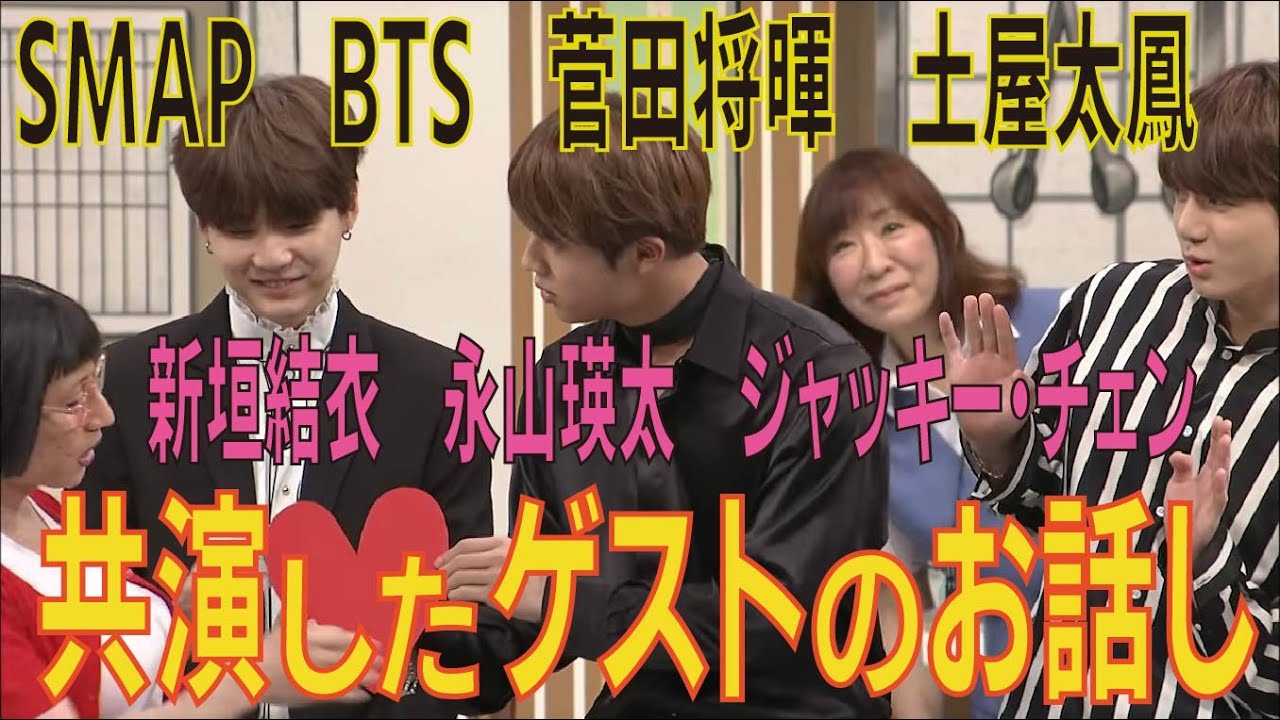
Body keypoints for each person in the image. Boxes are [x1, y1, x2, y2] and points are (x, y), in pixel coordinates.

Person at [426, 91, 891, 718]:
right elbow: (525, 626)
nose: (531, 259)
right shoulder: (562, 380)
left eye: (554, 241)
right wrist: (401, 641)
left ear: (646, 253)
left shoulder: (818, 374)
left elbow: (779, 619)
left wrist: (562, 598)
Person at [75, 74, 495, 719]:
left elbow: (465, 638)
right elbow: (90, 597)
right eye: (239, 230)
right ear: (204, 225)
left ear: (348, 206)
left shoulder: (436, 387)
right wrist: (172, 611)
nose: (272, 256)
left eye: (298, 223)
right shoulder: (131, 383)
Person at [946, 59, 1278, 718]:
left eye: (1218, 201)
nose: (1188, 223)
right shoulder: (1113, 302)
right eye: (1180, 194)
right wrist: (1000, 436)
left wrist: (1203, 561)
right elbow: (1045, 507)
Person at [0, 275, 385, 719]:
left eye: (96, 383)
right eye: (73, 402)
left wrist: (182, 611)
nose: (103, 416)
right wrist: (249, 679)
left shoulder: (43, 512)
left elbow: (110, 666)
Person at [792, 147, 1055, 719]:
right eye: (843, 246)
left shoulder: (1063, 327)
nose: (874, 263)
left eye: (891, 228)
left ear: (941, 230)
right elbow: (898, 607)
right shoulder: (855, 418)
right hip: (1005, 698)